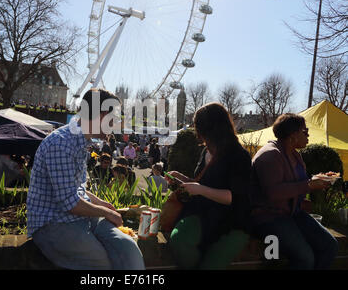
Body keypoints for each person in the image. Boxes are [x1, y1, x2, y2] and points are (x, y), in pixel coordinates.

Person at [27, 88, 145, 270]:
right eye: (113, 120)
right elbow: (69, 203)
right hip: (53, 224)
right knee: (101, 265)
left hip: (79, 218)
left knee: (129, 250)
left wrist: (102, 204)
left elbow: (76, 189)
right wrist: (106, 213)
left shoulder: (81, 142)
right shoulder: (61, 144)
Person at [166, 102, 252, 270]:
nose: (198, 134)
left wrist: (199, 189)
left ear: (209, 129)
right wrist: (181, 179)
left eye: (199, 128)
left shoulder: (239, 156)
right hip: (203, 214)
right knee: (178, 240)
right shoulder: (207, 151)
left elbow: (234, 198)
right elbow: (202, 183)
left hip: (232, 222)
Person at [250, 113, 338, 269]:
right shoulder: (270, 156)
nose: (308, 134)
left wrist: (318, 179)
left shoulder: (295, 155)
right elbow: (273, 192)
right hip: (270, 218)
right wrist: (309, 185)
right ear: (292, 136)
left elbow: (296, 182)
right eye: (305, 131)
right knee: (305, 258)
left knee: (330, 245)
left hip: (292, 214)